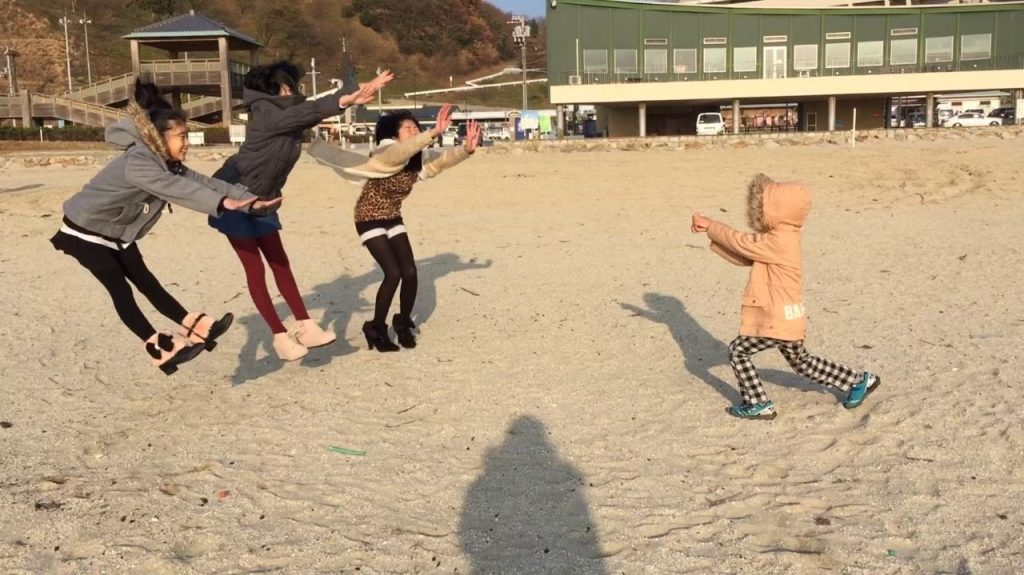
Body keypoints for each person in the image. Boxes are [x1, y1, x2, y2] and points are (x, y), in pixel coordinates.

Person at [50, 80, 279, 375]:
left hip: (114, 229)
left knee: (147, 281)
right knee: (120, 289)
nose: (186, 142)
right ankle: (160, 347)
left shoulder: (165, 162)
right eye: (181, 136)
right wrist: (225, 203)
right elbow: (177, 189)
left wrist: (248, 200)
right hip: (83, 230)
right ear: (159, 137)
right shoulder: (139, 163)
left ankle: (195, 326)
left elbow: (204, 182)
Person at [210, 62, 393, 361]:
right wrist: (343, 100)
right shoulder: (265, 113)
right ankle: (280, 336)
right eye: (284, 88)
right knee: (255, 269)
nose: (289, 92)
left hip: (265, 199)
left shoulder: (288, 116)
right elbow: (305, 112)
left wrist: (352, 92)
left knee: (280, 263)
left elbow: (310, 109)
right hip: (233, 195)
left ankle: (305, 325)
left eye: (291, 87)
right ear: (271, 90)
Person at [690, 174, 880, 419]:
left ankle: (758, 402)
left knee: (738, 351)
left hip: (777, 316)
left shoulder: (779, 240)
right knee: (802, 362)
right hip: (788, 315)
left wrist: (712, 226)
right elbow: (746, 254)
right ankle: (858, 380)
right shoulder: (782, 238)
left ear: (776, 211)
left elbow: (743, 242)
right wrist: (714, 238)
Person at [344, 104, 481, 351]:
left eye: (416, 127)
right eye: (408, 128)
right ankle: (375, 327)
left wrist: (466, 150)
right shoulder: (384, 151)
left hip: (392, 216)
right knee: (393, 273)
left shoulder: (416, 157)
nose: (414, 131)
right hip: (368, 217)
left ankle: (403, 321)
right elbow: (399, 154)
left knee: (410, 272)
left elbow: (440, 161)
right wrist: (432, 132)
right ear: (394, 135)